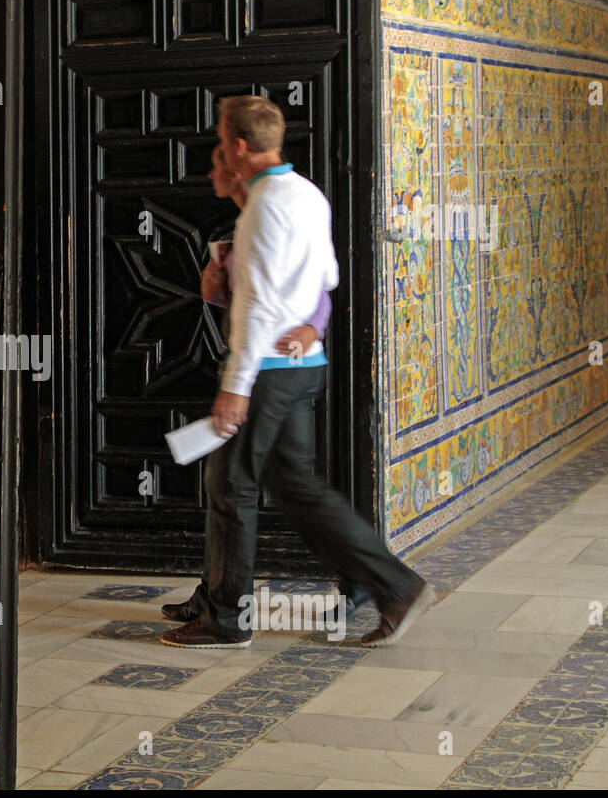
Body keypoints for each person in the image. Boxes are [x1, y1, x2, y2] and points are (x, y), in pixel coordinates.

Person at [161, 96, 434, 650]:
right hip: (303, 368)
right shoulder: (307, 194)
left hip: (266, 370)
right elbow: (327, 274)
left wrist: (235, 387)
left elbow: (259, 304)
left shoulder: (264, 205)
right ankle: (393, 586)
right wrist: (307, 327)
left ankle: (226, 619)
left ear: (239, 146)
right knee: (298, 489)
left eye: (221, 137)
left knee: (229, 486)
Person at [160, 142, 373, 626]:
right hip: (258, 370)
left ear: (237, 169)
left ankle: (225, 609)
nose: (211, 173)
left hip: (275, 375)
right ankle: (218, 595)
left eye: (218, 165)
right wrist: (213, 288)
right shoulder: (237, 231)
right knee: (263, 488)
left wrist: (312, 328)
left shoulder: (280, 212)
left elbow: (314, 289)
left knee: (236, 488)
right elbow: (242, 301)